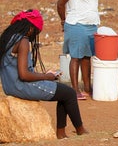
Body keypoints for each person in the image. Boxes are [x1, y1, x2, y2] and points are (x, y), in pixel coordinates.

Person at [0, 10, 88, 139]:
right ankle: (79, 130)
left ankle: (62, 133)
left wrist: (43, 74)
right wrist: (47, 77)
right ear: (30, 29)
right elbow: (24, 75)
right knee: (68, 93)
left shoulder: (8, 38)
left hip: (10, 86)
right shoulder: (23, 41)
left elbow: (18, 70)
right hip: (21, 86)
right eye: (36, 32)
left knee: (63, 92)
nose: (34, 36)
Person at [56, 0, 99, 100]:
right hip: (77, 25)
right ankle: (74, 90)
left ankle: (87, 88)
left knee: (87, 57)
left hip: (91, 25)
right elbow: (60, 4)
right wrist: (63, 20)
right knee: (76, 57)